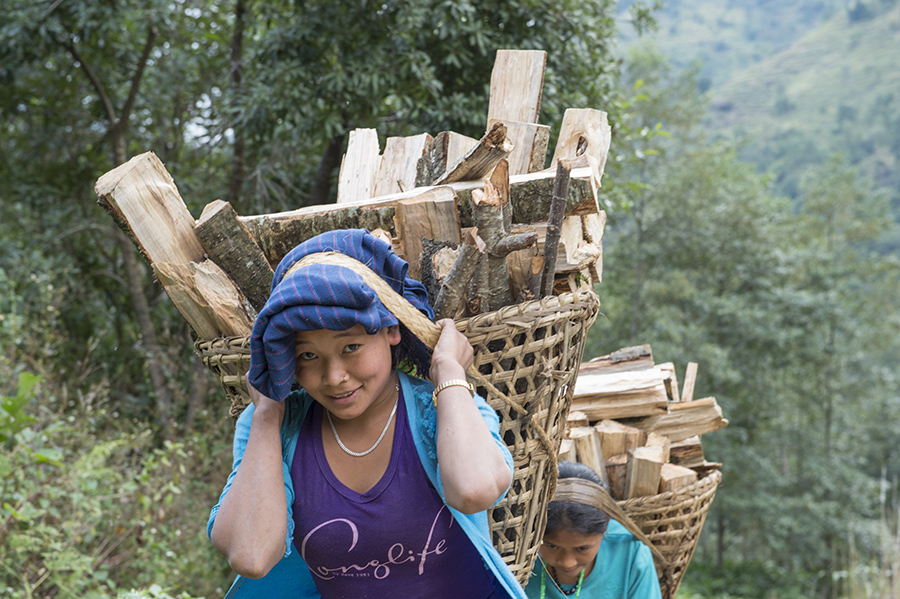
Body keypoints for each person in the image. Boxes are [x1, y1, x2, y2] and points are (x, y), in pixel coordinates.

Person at [207, 229, 527, 599]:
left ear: (391, 329)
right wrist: (266, 412)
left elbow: (475, 491)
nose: (334, 377)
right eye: (308, 355)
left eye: (352, 347)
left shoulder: (441, 406)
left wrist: (449, 371)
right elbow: (251, 556)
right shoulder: (278, 427)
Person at [524, 461, 662, 599]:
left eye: (582, 548)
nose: (568, 562)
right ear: (535, 534)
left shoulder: (630, 552)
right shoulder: (520, 555)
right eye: (552, 546)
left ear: (605, 529)